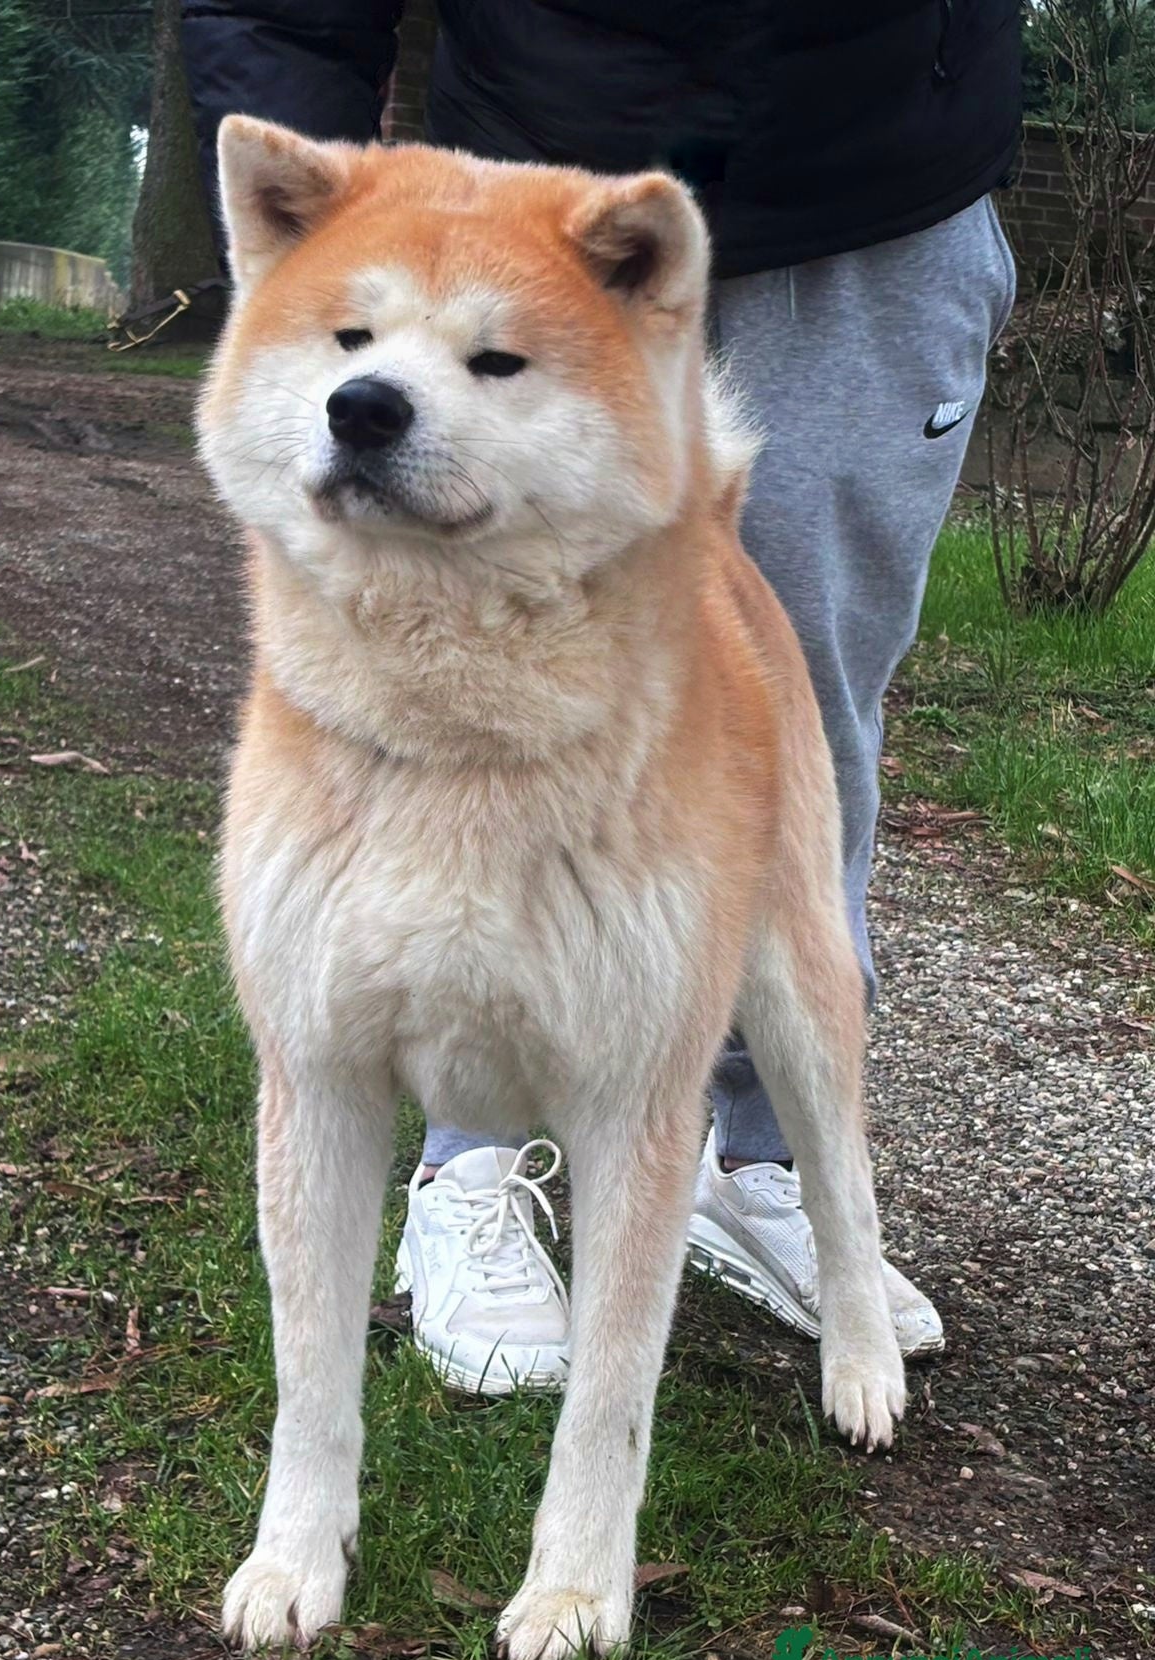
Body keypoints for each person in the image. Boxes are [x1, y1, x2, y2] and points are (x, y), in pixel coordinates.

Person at [181, 0, 1022, 1392]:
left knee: (803, 718)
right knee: (442, 716)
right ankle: (477, 1162)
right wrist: (302, 256)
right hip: (518, 194)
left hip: (870, 193)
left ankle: (761, 1161)